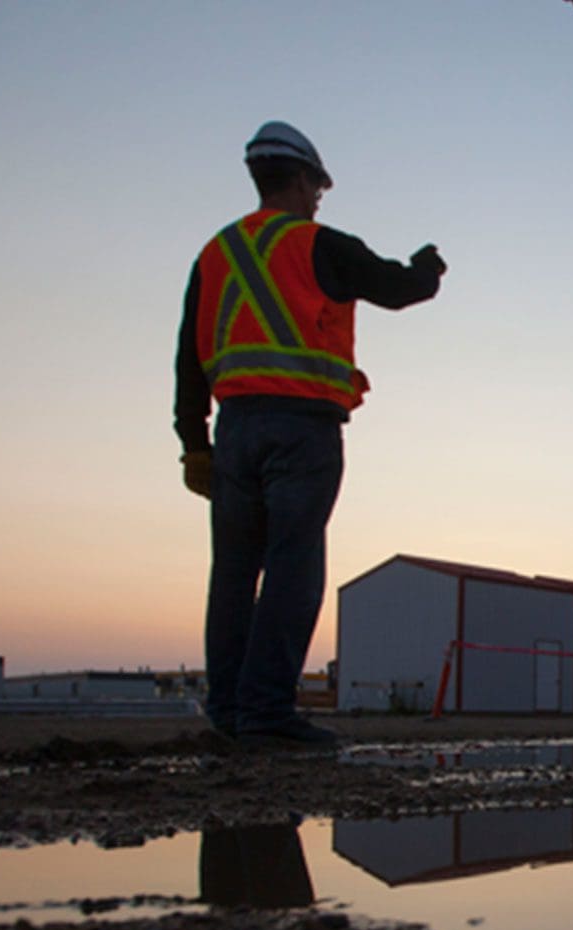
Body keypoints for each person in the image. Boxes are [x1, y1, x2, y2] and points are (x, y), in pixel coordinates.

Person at [175, 122, 445, 746]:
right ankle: (267, 713)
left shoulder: (215, 254)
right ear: (300, 180)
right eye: (318, 186)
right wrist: (429, 265)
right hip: (301, 431)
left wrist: (194, 441)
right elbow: (401, 290)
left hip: (236, 432)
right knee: (294, 567)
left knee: (235, 573)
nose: (319, 196)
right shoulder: (319, 245)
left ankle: (230, 712)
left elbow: (188, 356)